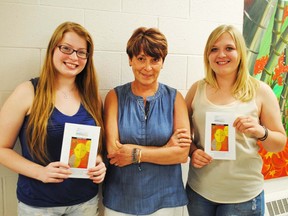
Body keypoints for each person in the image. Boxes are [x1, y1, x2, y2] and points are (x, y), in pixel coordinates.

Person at [0, 21, 106, 215]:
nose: (74, 57)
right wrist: (40, 172)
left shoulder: (93, 97)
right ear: (52, 50)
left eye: (81, 52)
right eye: (66, 48)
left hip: (85, 203)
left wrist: (98, 162)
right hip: (39, 205)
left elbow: (94, 147)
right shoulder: (28, 91)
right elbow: (1, 149)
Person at [185, 24, 286, 216]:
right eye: (214, 49)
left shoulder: (261, 91)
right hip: (199, 193)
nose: (221, 54)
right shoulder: (196, 90)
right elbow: (180, 133)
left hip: (243, 198)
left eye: (229, 48)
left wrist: (260, 131)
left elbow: (279, 144)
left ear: (240, 52)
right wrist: (192, 151)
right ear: (207, 56)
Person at [103, 27, 191, 215]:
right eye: (141, 59)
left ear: (162, 62)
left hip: (166, 200)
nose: (148, 67)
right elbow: (114, 152)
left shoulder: (175, 98)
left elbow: (182, 155)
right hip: (121, 198)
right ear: (130, 60)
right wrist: (166, 149)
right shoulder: (114, 97)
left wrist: (135, 154)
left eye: (155, 60)